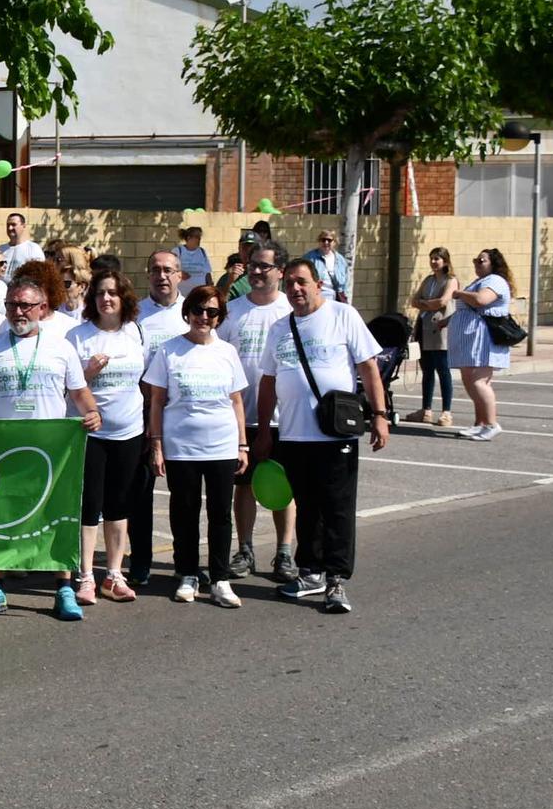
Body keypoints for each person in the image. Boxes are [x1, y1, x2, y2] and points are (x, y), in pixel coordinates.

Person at [0, 275, 103, 620]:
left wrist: (93, 413)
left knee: (58, 517)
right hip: (2, 452)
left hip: (52, 453)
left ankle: (63, 588)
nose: (18, 311)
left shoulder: (61, 347)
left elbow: (79, 392)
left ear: (42, 308)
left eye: (26, 305)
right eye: (11, 304)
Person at [256, 258, 387, 614]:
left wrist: (379, 415)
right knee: (308, 507)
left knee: (337, 508)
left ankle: (336, 580)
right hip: (294, 435)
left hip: (334, 436)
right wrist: (266, 431)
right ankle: (310, 571)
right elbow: (268, 382)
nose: (296, 289)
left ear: (317, 284)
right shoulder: (279, 329)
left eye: (302, 282)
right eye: (290, 284)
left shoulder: (343, 316)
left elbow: (368, 367)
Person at [143, 285, 250, 608]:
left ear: (220, 317)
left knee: (220, 514)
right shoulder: (170, 350)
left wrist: (242, 445)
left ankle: (219, 578)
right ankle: (187, 572)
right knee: (184, 511)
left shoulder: (227, 352)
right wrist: (156, 445)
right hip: (181, 447)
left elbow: (236, 401)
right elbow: (157, 402)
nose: (204, 317)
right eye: (199, 310)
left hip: (221, 445)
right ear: (187, 313)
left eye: (212, 312)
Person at [220, 243, 297, 581]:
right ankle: (246, 549)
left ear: (280, 270)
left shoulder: (290, 310)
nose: (256, 271)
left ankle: (284, 553)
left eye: (264, 266)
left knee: (284, 486)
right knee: (244, 486)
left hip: (285, 418)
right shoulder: (232, 311)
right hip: (241, 417)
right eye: (253, 265)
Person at [69, 270, 146, 605]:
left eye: (113, 293)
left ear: (123, 297)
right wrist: (87, 373)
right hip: (90, 432)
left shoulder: (134, 332)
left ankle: (113, 574)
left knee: (119, 504)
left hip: (129, 430)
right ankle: (85, 576)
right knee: (90, 505)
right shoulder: (78, 336)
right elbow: (65, 387)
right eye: (100, 293)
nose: (106, 299)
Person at [127, 248, 189, 583]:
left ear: (180, 275)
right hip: (145, 414)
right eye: (155, 270)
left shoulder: (193, 312)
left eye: (168, 270)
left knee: (185, 495)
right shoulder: (135, 314)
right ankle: (141, 560)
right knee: (140, 494)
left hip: (183, 416)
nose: (161, 276)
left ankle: (186, 565)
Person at [449, 248, 513, 441]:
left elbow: (481, 300)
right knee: (469, 381)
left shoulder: (495, 281)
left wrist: (459, 293)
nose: (477, 263)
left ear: (493, 263)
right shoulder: (479, 281)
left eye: (482, 260)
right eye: (475, 260)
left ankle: (492, 424)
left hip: (483, 339)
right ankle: (480, 423)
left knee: (479, 382)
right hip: (469, 339)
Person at [407, 247, 458, 427]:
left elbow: (443, 301)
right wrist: (428, 304)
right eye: (432, 259)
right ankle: (426, 410)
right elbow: (414, 300)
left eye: (437, 258)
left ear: (445, 261)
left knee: (443, 371)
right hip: (423, 328)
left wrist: (424, 304)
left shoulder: (451, 280)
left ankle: (446, 412)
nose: (434, 262)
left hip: (440, 329)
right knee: (427, 371)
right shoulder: (428, 280)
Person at [304, 230, 352, 303]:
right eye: (323, 240)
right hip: (318, 295)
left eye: (329, 240)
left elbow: (347, 282)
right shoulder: (309, 258)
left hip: (337, 297)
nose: (326, 242)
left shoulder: (340, 260)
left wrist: (345, 296)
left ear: (334, 242)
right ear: (319, 241)